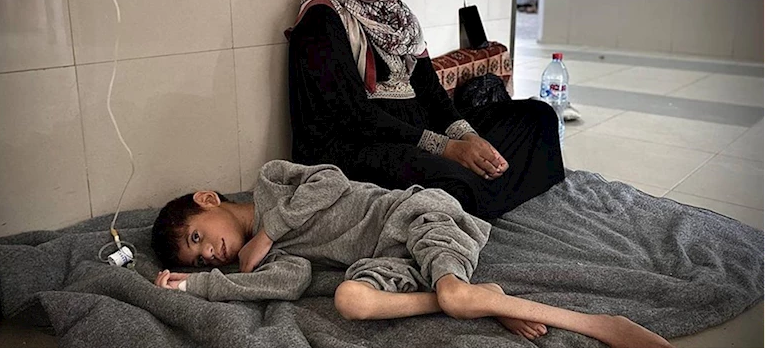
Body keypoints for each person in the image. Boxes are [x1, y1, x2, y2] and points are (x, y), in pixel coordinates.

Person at [151, 160, 672, 348]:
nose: (210, 253)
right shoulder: (260, 262)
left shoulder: (271, 182)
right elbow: (292, 281)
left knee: (454, 295)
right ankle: (476, 299)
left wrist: (269, 231)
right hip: (384, 260)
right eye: (200, 260)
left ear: (208, 200)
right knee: (350, 300)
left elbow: (330, 180)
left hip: (410, 216)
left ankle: (600, 325)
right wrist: (198, 286)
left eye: (198, 238)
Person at [286, 0, 564, 221]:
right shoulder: (322, 18)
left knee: (538, 117)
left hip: (420, 134)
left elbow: (432, 93)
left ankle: (479, 190)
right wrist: (447, 149)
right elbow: (355, 115)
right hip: (360, 149)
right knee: (454, 182)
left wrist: (468, 137)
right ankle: (479, 189)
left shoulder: (398, 16)